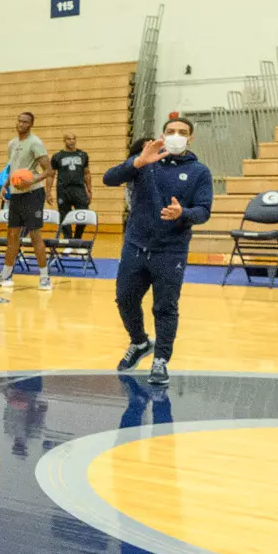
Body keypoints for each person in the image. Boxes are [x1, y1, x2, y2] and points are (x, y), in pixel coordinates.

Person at [105, 118, 214, 382]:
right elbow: (109, 179)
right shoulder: (146, 161)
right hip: (136, 245)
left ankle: (161, 360)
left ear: (191, 138)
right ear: (162, 135)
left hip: (171, 251)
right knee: (125, 299)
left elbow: (203, 211)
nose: (176, 135)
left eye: (182, 132)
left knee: (165, 308)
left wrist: (183, 212)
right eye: (171, 131)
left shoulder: (200, 172)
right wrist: (137, 162)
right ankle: (140, 342)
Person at [0, 111, 51, 288]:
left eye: (25, 122)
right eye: (19, 120)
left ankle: (44, 277)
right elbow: (14, 166)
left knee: (35, 234)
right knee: (12, 234)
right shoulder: (12, 144)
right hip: (16, 194)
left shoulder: (35, 143)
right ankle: (5, 275)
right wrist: (5, 184)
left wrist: (31, 180)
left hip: (33, 194)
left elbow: (49, 171)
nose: (21, 124)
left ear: (31, 124)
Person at [51, 132, 92, 218]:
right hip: (63, 189)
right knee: (64, 216)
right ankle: (67, 232)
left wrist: (89, 190)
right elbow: (51, 175)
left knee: (84, 214)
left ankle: (78, 232)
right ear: (64, 141)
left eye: (74, 139)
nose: (72, 141)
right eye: (69, 139)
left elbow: (87, 173)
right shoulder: (57, 156)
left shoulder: (83, 155)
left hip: (79, 189)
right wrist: (48, 193)